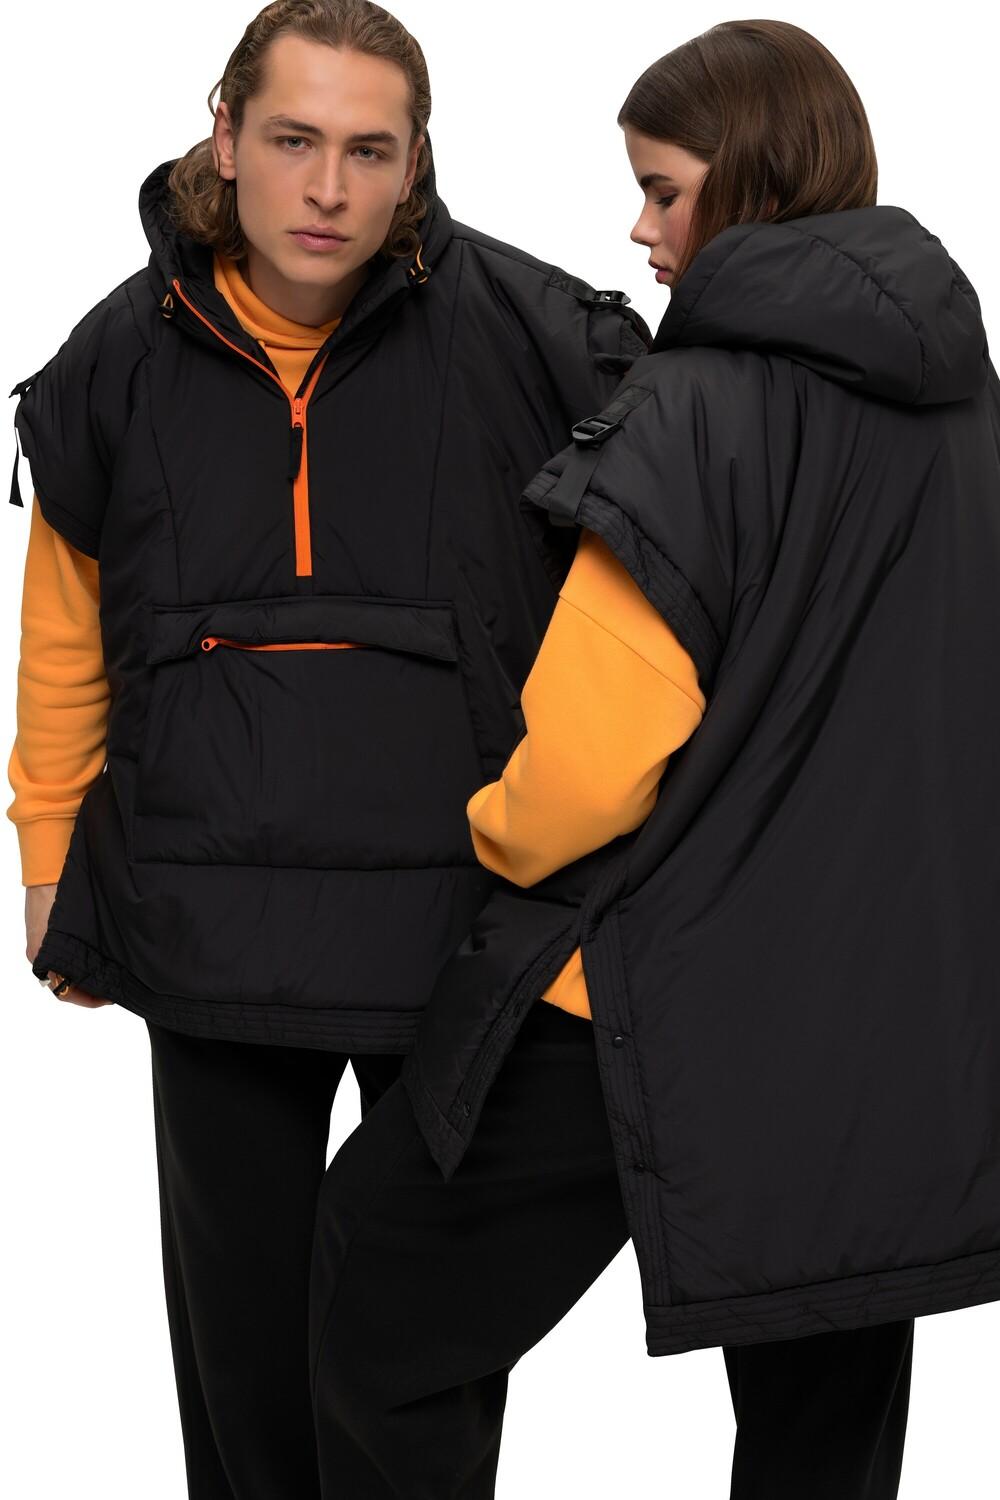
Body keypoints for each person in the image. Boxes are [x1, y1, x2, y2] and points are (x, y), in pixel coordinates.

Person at [306, 18, 1000, 1499]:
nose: (641, 229)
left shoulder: (693, 409)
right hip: (880, 1014)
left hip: (653, 982)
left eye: (665, 189)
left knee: (379, 1298)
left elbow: (587, 775)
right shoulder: (967, 415)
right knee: (823, 1414)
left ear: (755, 181)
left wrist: (488, 829)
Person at [6, 2, 650, 1493]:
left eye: (370, 151)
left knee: (413, 1366)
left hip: (463, 922)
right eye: (294, 140)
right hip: (205, 914)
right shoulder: (118, 356)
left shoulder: (539, 337)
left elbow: (665, 589)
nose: (328, 188)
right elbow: (66, 626)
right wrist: (47, 857)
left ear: (416, 161)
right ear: (225, 137)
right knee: (243, 1366)